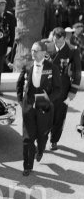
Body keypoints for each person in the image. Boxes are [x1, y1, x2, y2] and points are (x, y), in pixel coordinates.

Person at [16, 40, 61, 176]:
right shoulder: (27, 66)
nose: (32, 53)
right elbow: (19, 84)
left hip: (44, 106)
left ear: (43, 53)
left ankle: (40, 150)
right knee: (27, 138)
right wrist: (21, 101)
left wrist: (48, 100)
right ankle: (27, 166)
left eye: (35, 51)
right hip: (28, 106)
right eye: (32, 50)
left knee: (42, 135)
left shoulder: (52, 68)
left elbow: (58, 89)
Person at [48, 27, 81, 151]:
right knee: (45, 115)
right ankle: (42, 139)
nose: (58, 44)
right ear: (53, 38)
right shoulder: (47, 47)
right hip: (48, 89)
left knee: (59, 116)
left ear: (64, 39)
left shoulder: (72, 51)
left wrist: (72, 92)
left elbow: (77, 73)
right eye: (56, 41)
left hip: (63, 90)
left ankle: (54, 140)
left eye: (61, 41)